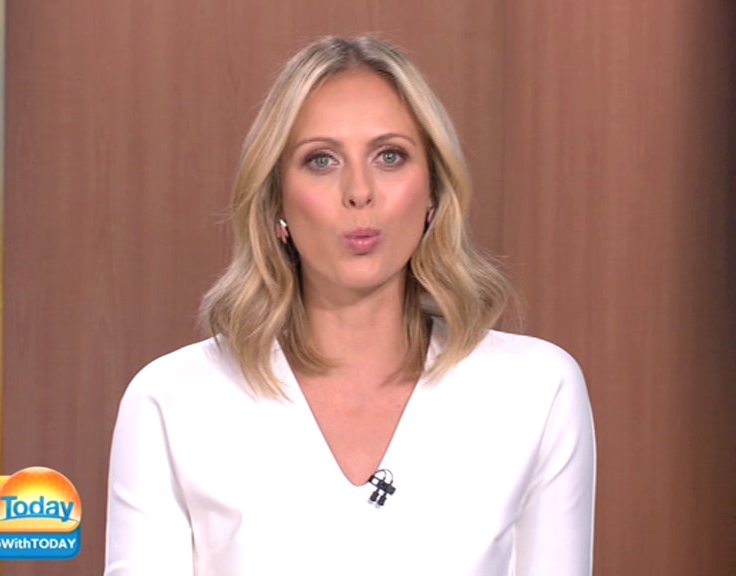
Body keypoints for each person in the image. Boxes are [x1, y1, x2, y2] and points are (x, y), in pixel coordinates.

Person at [105, 35, 595, 576]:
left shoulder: (536, 390)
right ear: (276, 201)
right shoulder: (172, 401)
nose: (359, 191)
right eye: (321, 160)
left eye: (390, 156)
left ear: (433, 191)